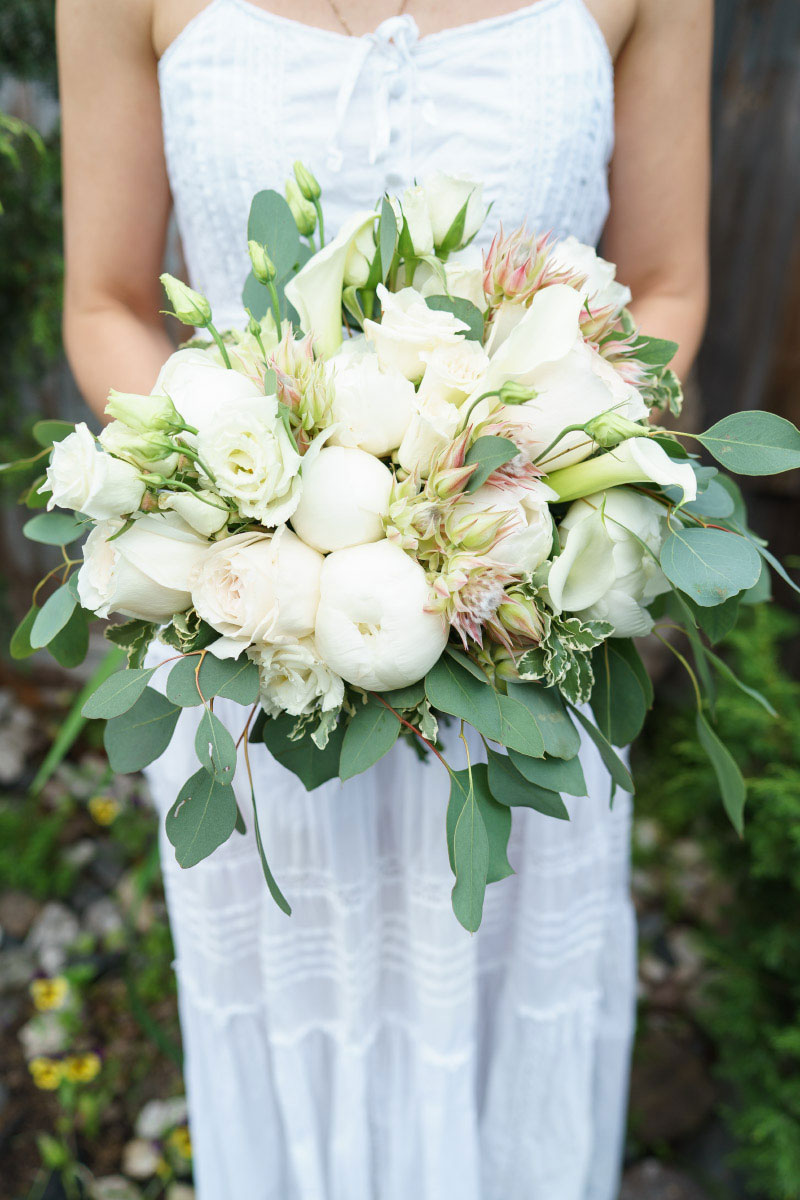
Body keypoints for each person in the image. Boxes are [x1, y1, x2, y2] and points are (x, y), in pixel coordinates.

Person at [57, 2, 711, 1197]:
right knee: (289, 1008)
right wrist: (245, 504)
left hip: (515, 641)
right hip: (254, 648)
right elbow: (103, 298)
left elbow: (664, 283)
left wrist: (521, 495)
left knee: (511, 999)